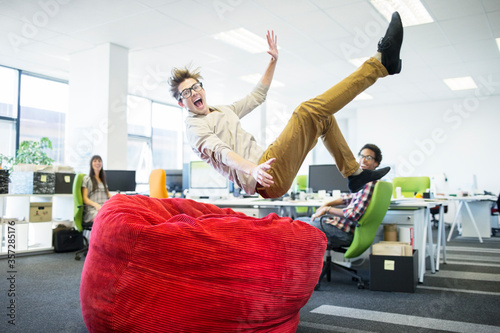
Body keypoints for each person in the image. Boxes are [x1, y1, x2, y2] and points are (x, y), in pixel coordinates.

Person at [169, 12, 403, 199]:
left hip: (268, 164)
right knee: (306, 111)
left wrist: (272, 61)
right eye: (187, 93)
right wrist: (252, 169)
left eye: (196, 86)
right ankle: (380, 64)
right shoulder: (194, 128)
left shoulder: (222, 110)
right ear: (182, 103)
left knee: (324, 119)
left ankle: (354, 174)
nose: (194, 93)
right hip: (263, 176)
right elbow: (221, 152)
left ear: (202, 88)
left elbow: (256, 96)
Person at [300, 144, 385, 247]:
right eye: (361, 156)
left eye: (368, 158)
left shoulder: (369, 182)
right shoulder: (366, 181)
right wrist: (327, 203)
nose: (363, 160)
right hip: (343, 227)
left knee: (297, 225)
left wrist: (327, 209)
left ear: (376, 163)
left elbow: (353, 214)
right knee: (301, 221)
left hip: (345, 232)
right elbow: (350, 197)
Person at [82, 155, 112, 223]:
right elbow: (85, 199)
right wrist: (96, 205)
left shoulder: (103, 180)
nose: (97, 163)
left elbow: (108, 195)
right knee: (106, 220)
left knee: (116, 217)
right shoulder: (87, 179)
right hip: (93, 210)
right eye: (95, 161)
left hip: (104, 208)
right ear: (91, 164)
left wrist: (118, 198)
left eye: (99, 161)